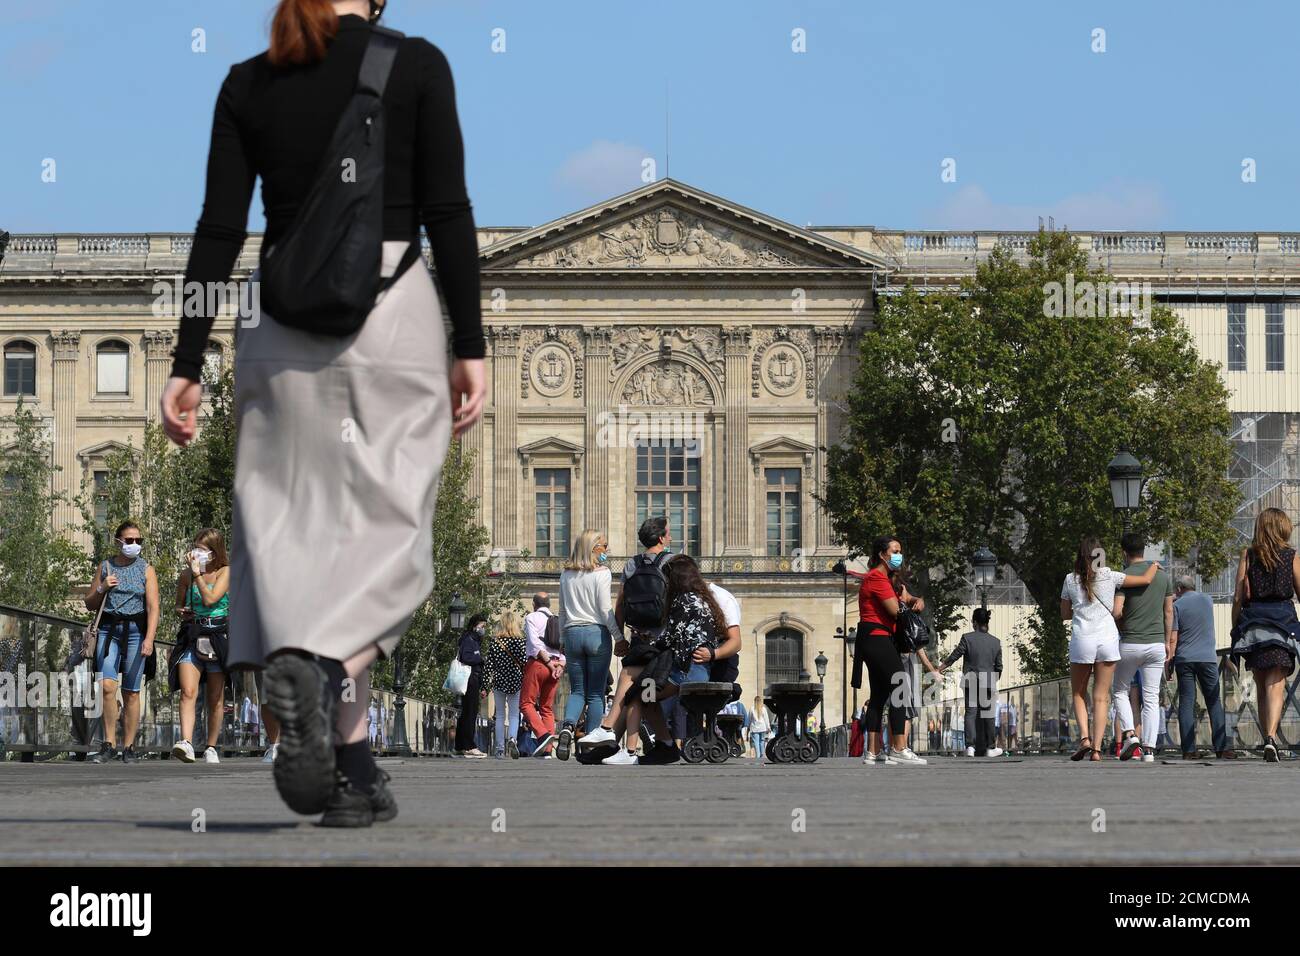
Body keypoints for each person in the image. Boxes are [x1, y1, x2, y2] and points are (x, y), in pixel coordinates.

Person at [159, 0, 488, 827]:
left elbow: (218, 229)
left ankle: (353, 771)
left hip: (279, 317)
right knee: (392, 534)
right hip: (388, 311)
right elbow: (447, 211)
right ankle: (332, 672)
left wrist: (188, 360)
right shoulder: (415, 65)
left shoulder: (247, 82)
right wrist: (470, 343)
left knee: (291, 529)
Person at [606, 554, 730, 765]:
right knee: (647, 695)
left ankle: (628, 749)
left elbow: (670, 639)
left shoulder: (681, 601)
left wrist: (647, 641)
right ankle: (666, 745)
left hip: (684, 672)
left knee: (638, 689)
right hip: (699, 670)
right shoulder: (704, 602)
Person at [1060, 535, 1161, 762]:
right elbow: (1144, 580)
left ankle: (1084, 738)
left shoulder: (1069, 580)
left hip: (1082, 639)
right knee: (1102, 697)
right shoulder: (1109, 576)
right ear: (1100, 556)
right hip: (1107, 640)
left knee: (1078, 693)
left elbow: (1065, 614)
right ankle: (1096, 750)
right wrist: (1154, 565)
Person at [581, 517, 674, 755]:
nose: (671, 537)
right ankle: (656, 745)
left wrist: (620, 637)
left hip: (640, 639)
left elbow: (621, 604)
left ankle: (618, 738)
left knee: (637, 686)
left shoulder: (632, 565)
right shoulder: (673, 561)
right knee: (644, 692)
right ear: (662, 538)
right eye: (669, 534)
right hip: (663, 642)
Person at [84, 521, 161, 764]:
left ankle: (129, 747)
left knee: (131, 691)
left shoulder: (146, 569)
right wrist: (102, 588)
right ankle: (108, 744)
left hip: (136, 632)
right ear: (118, 542)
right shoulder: (106, 566)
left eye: (139, 541)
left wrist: (149, 638)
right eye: (129, 540)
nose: (135, 544)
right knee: (107, 685)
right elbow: (89, 602)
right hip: (108, 630)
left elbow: (153, 607)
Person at [1229, 507, 1300, 763]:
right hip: (1282, 624)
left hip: (1254, 625)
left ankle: (1266, 739)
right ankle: (1271, 736)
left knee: (1261, 685)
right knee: (1276, 684)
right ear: (1282, 527)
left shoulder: (1247, 555)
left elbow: (1238, 596)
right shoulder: (1291, 556)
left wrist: (1235, 627)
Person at [852, 535, 928, 766]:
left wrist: (916, 598)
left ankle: (873, 752)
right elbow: (895, 609)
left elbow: (904, 598)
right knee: (900, 684)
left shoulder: (887, 579)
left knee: (879, 695)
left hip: (876, 638)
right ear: (882, 554)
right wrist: (908, 604)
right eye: (894, 551)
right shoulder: (876, 577)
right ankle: (899, 747)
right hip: (877, 636)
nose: (898, 555)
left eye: (900, 550)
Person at [169, 529, 232, 764]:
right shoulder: (186, 575)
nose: (196, 553)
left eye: (202, 549)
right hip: (193, 633)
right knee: (188, 691)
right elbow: (178, 603)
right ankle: (186, 741)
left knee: (215, 697)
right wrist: (181, 611)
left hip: (217, 634)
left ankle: (211, 745)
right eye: (195, 547)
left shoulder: (225, 572)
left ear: (214, 553)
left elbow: (210, 599)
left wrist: (197, 575)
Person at [556, 529, 619, 760]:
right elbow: (605, 609)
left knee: (577, 691)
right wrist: (619, 637)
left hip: (572, 633)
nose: (606, 550)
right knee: (594, 695)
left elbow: (561, 611)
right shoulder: (602, 573)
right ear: (593, 549)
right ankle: (591, 743)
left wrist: (562, 640)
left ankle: (567, 726)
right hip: (596, 634)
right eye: (603, 546)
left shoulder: (566, 575)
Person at [1113, 533, 1174, 763]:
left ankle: (1130, 734)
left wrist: (1121, 624)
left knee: (1119, 690)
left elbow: (1117, 611)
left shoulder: (1123, 577)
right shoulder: (1162, 575)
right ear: (1144, 550)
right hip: (1157, 643)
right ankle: (1149, 750)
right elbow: (1169, 612)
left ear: (1123, 552)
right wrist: (1168, 643)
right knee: (1151, 698)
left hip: (1130, 642)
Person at [1169, 574, 1231, 759]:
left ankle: (1188, 751)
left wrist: (1169, 662)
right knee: (1214, 701)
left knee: (1187, 703)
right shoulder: (1207, 600)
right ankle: (1221, 748)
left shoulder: (1177, 606)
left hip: (1184, 659)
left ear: (1179, 588)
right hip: (1208, 659)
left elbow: (1173, 636)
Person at [939, 607, 1003, 757]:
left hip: (971, 679)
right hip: (988, 681)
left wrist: (940, 668)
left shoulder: (967, 638)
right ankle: (991, 747)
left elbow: (955, 655)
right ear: (987, 622)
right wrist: (993, 680)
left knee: (971, 713)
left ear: (974, 622)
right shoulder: (995, 642)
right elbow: (999, 666)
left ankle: (970, 747)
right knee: (988, 714)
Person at [521, 592, 565, 757]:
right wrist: (559, 665)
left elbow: (534, 644)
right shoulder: (557, 620)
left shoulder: (532, 617)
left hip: (539, 664)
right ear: (549, 604)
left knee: (526, 703)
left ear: (534, 604)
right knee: (547, 708)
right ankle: (547, 751)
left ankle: (542, 735)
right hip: (556, 665)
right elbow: (563, 646)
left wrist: (548, 663)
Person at [483, 610, 527, 759]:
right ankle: (513, 739)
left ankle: (500, 749)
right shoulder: (520, 641)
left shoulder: (495, 642)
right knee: (514, 714)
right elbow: (524, 662)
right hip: (515, 680)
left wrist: (484, 686)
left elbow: (489, 665)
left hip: (499, 681)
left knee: (500, 715)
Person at [454, 615, 489, 758]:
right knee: (470, 713)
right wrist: (481, 659)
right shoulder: (469, 640)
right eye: (482, 626)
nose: (483, 629)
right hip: (470, 679)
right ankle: (469, 745)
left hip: (472, 679)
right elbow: (466, 657)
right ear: (475, 626)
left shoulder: (472, 639)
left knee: (466, 712)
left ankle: (460, 744)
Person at [748, 695, 770, 760]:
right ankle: (762, 755)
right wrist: (768, 727)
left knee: (756, 742)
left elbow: (749, 719)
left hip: (754, 728)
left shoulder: (752, 709)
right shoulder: (763, 709)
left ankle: (758, 756)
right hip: (763, 728)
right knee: (762, 742)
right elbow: (766, 719)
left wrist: (748, 727)